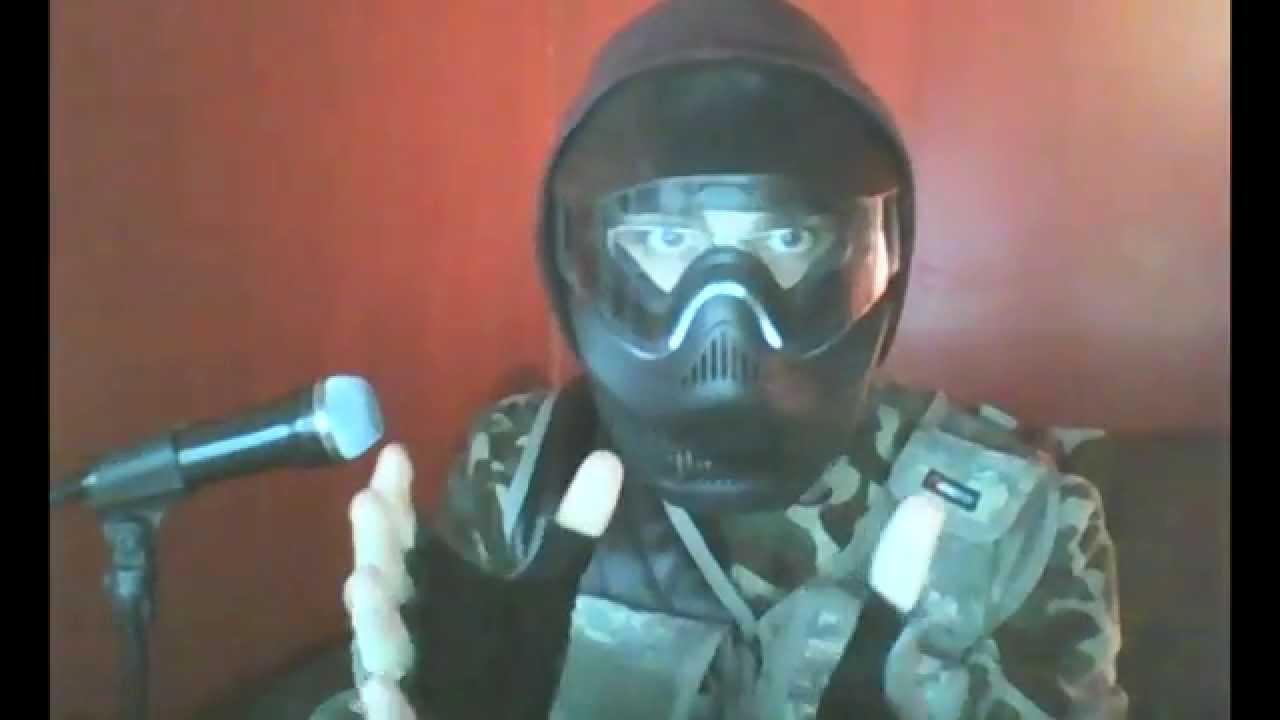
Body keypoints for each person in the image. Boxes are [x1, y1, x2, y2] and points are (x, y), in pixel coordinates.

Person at [316, 0, 1129, 717]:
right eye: (666, 239)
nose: (726, 321)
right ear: (580, 261)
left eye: (788, 238)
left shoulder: (1017, 520)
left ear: (870, 254)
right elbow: (410, 678)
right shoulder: (521, 473)